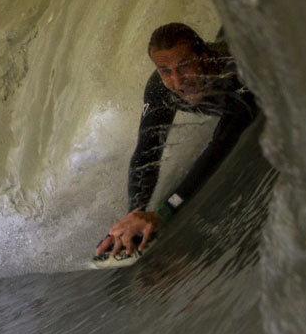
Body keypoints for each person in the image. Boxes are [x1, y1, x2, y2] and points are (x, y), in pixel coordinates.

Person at [94, 22, 260, 261]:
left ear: (203, 57)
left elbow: (223, 142)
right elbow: (147, 152)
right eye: (165, 71)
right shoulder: (161, 90)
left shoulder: (236, 76)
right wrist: (135, 215)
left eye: (184, 66)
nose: (177, 81)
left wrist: (165, 211)